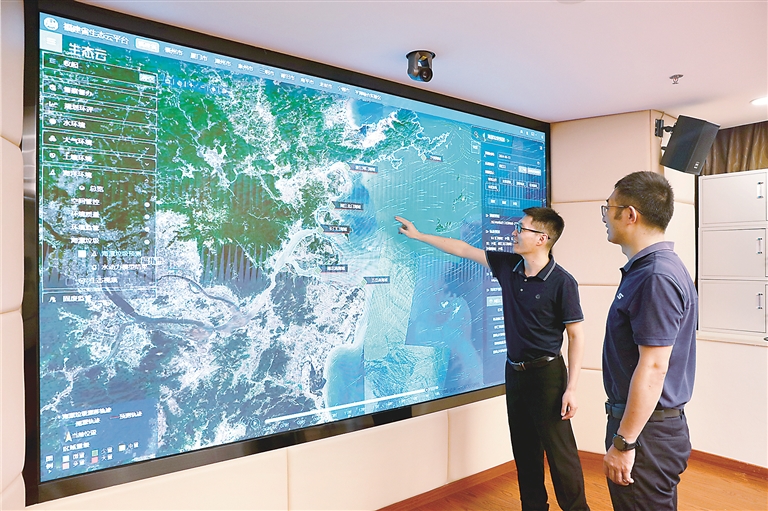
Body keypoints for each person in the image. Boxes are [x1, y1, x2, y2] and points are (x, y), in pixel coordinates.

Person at [396, 207, 590, 511]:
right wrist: (419, 236)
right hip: (515, 372)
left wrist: (572, 388)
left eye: (521, 228)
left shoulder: (562, 282)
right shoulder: (508, 266)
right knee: (525, 450)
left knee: (560, 453)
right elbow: (462, 249)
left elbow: (577, 336)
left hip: (548, 376)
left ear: (542, 238)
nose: (515, 232)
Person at [600, 171, 697, 510]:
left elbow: (654, 367)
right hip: (648, 428)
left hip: (646, 434)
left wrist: (625, 442)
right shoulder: (653, 269)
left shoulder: (656, 275)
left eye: (608, 209)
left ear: (630, 214)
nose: (605, 218)